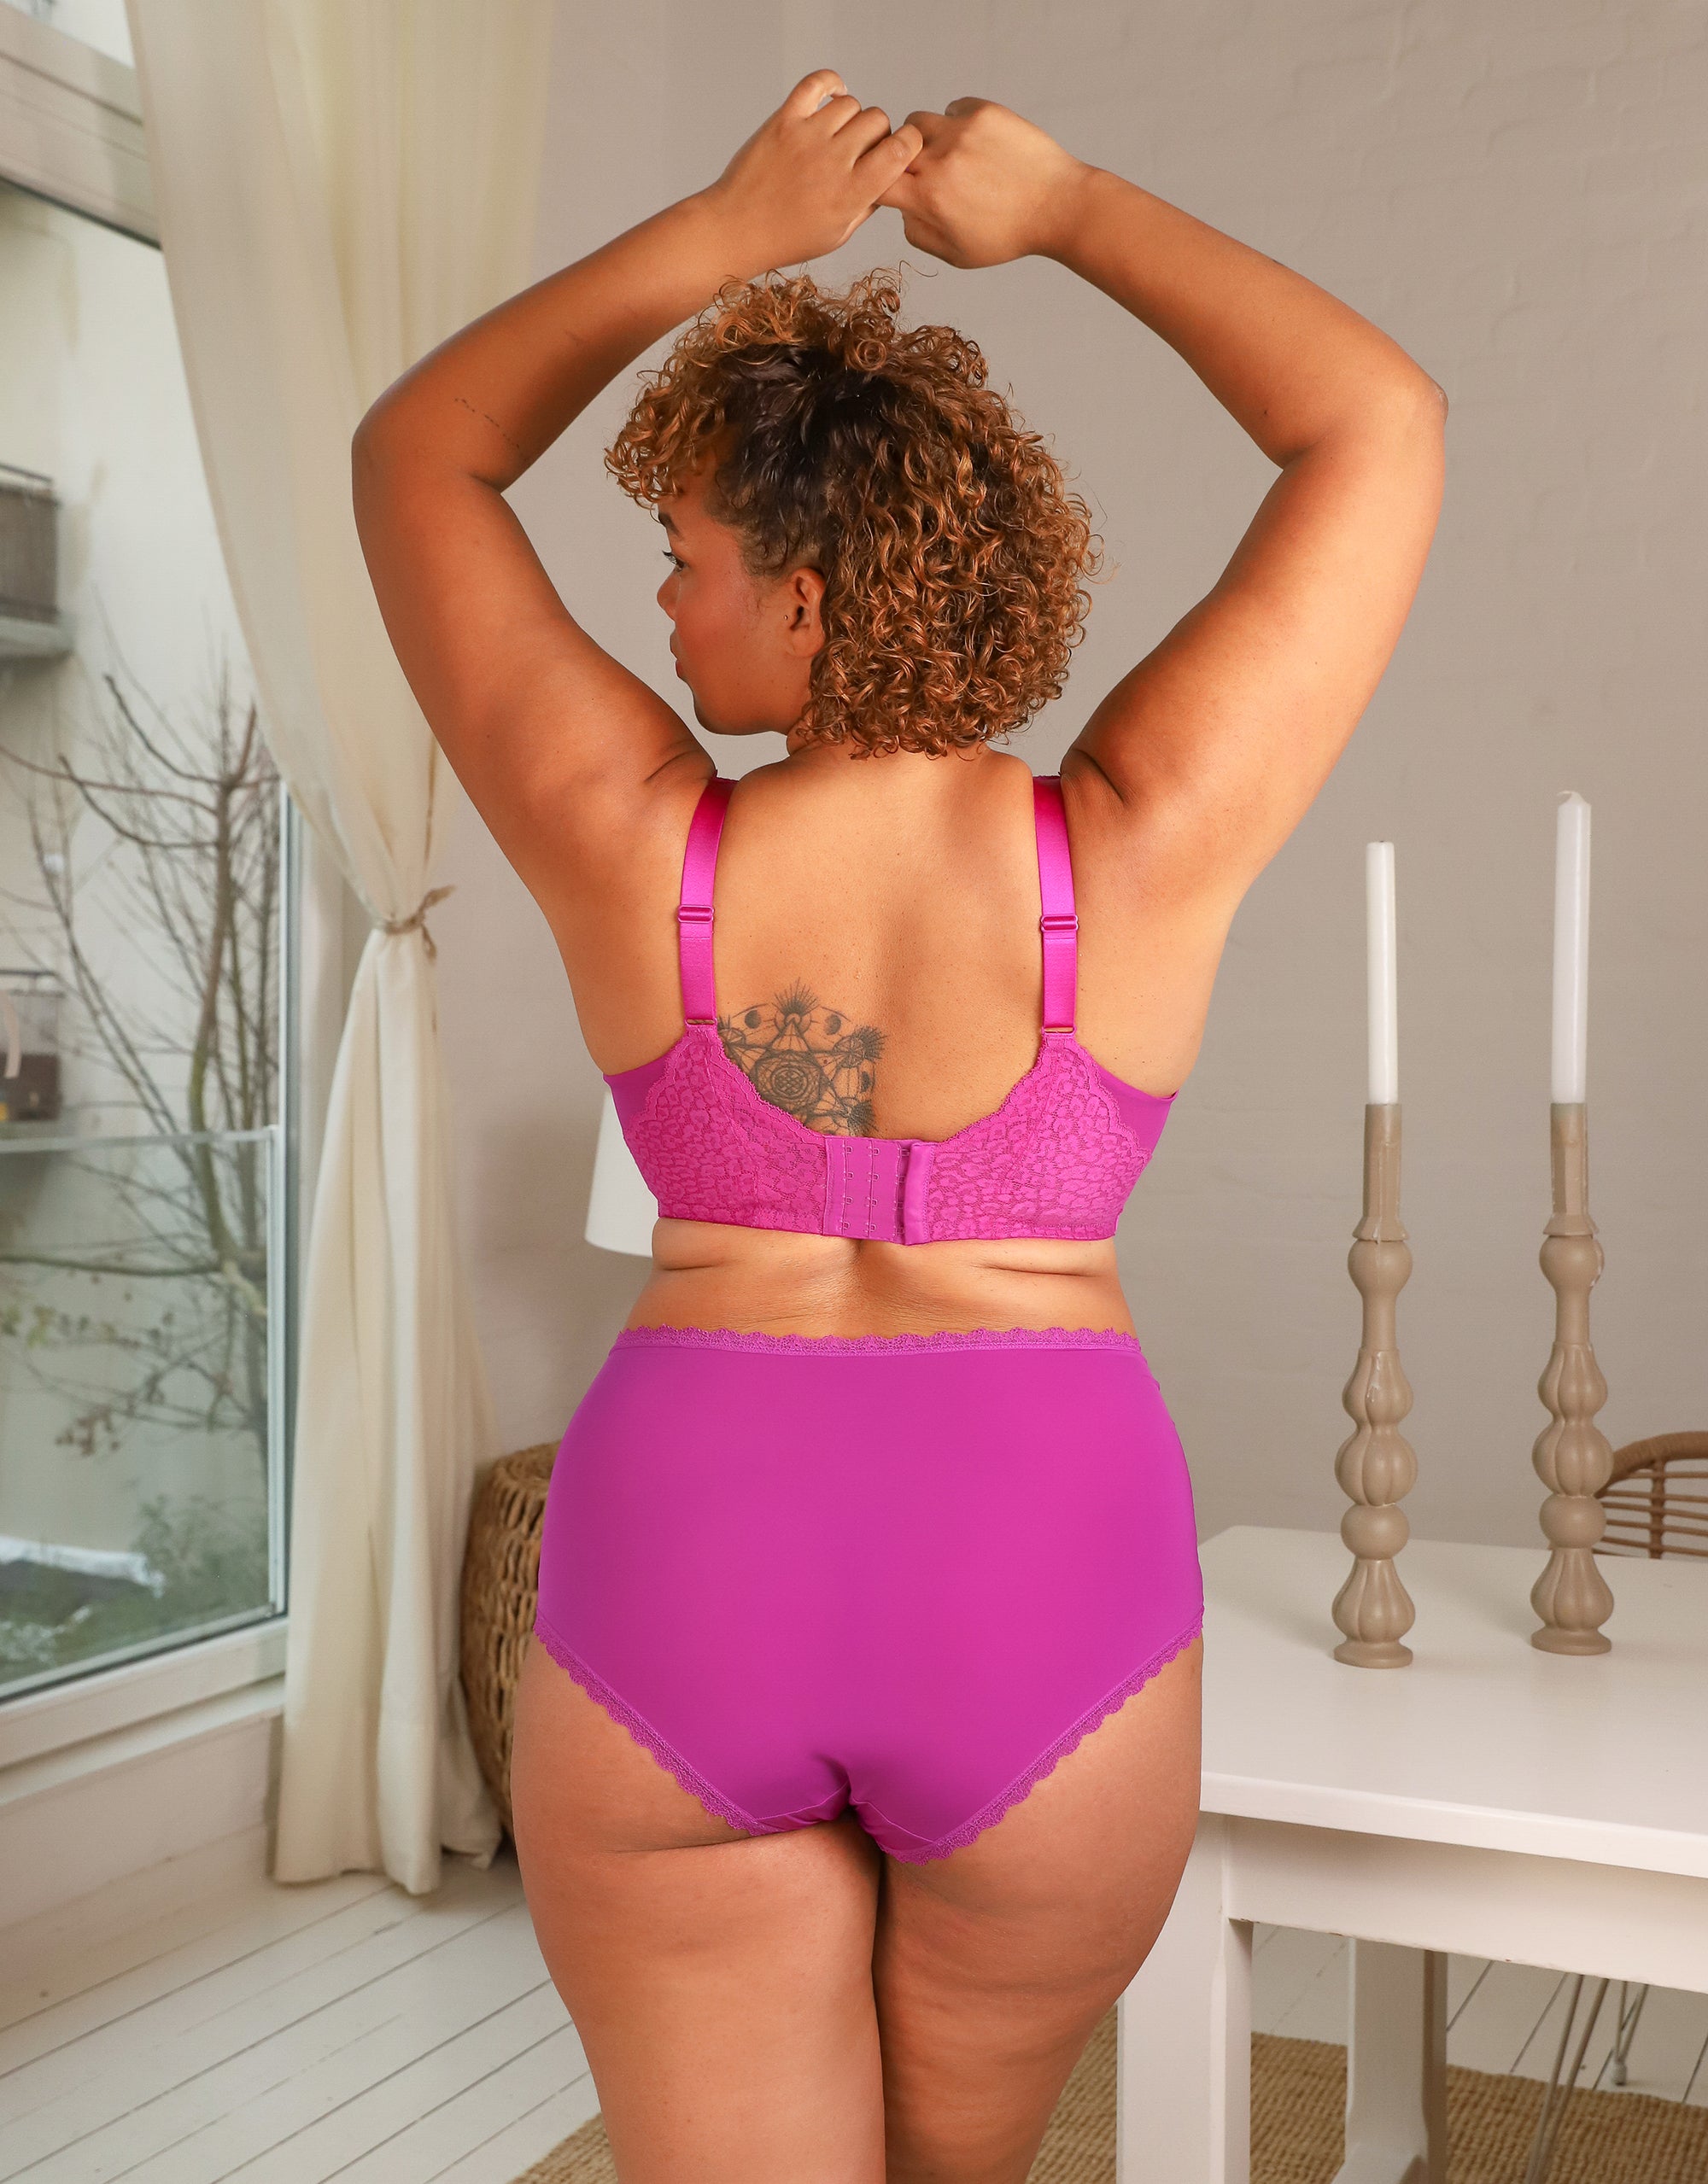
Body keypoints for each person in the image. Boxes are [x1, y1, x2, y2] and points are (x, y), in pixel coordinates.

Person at [351, 70, 1444, 2184]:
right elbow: (1374, 425)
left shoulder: (629, 840)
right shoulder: (1129, 848)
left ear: (808, 591)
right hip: (1037, 1597)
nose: (662, 606)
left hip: (687, 1591)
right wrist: (1070, 208)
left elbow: (420, 454)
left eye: (683, 561)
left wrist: (725, 229)